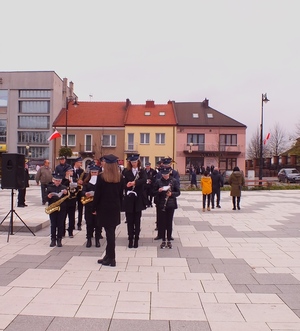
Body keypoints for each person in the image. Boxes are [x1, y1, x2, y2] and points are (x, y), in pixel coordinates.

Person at [92, 154, 124, 267]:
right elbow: (121, 195)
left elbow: (97, 195)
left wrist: (94, 207)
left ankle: (112, 258)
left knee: (109, 234)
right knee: (111, 233)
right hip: (114, 208)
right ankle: (108, 255)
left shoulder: (101, 177)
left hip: (104, 208)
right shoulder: (119, 177)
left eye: (104, 162)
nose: (103, 163)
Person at [122, 154, 147, 248]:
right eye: (132, 162)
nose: (133, 164)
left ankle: (136, 238)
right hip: (129, 198)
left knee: (137, 219)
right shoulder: (126, 171)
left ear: (138, 162)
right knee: (129, 220)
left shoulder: (141, 171)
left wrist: (135, 182)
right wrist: (127, 185)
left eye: (135, 162)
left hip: (138, 198)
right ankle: (130, 238)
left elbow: (144, 180)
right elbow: (122, 183)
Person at [153, 167, 180, 249]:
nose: (165, 176)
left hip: (170, 204)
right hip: (161, 204)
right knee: (162, 223)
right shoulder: (158, 181)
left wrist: (171, 194)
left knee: (169, 222)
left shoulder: (173, 181)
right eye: (164, 174)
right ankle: (163, 239)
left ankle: (169, 239)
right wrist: (159, 191)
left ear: (169, 173)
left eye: (167, 174)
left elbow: (178, 192)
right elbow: (153, 192)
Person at [82, 165, 102, 248]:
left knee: (98, 223)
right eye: (93, 172)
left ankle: (97, 240)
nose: (94, 174)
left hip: (98, 205)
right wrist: (85, 193)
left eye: (95, 172)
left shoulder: (101, 181)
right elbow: (82, 191)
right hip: (89, 204)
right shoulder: (87, 182)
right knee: (89, 223)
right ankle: (89, 239)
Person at [46, 174, 68, 247]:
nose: (57, 182)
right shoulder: (49, 188)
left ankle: (59, 239)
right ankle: (53, 239)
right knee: (53, 224)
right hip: (53, 207)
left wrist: (66, 193)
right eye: (56, 181)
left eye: (59, 181)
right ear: (53, 180)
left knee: (60, 224)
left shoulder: (64, 188)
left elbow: (68, 198)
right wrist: (48, 197)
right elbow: (45, 198)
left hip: (62, 208)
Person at [61, 165, 78, 238]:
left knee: (72, 217)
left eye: (72, 171)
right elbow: (62, 187)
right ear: (66, 172)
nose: (72, 172)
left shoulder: (74, 179)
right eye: (70, 171)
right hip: (65, 200)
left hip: (72, 200)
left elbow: (77, 188)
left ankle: (70, 231)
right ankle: (62, 231)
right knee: (63, 217)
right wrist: (68, 181)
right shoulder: (62, 180)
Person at [72, 157, 85, 230]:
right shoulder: (71, 170)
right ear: (76, 162)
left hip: (80, 191)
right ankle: (72, 224)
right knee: (73, 208)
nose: (81, 164)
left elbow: (84, 179)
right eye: (80, 162)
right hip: (73, 191)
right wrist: (76, 181)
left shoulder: (82, 171)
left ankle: (79, 224)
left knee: (80, 208)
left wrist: (82, 182)